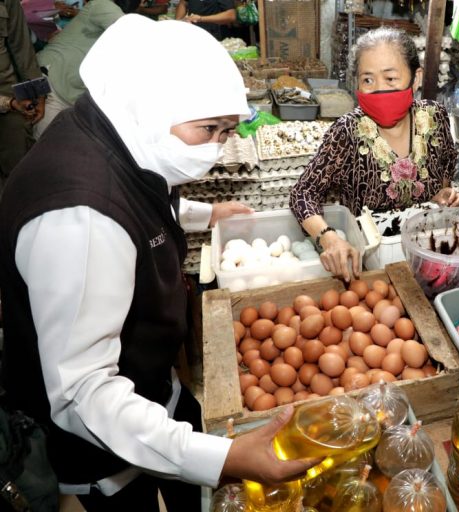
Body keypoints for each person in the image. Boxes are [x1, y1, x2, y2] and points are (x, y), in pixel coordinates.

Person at [0, 14, 317, 511]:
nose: (216, 148)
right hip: (106, 442)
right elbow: (84, 395)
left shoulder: (111, 127)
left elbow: (140, 192)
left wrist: (206, 213)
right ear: (151, 105)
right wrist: (222, 457)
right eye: (208, 129)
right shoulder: (81, 219)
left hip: (151, 380)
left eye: (226, 131)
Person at [289, 26, 459, 281]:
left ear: (415, 78)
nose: (379, 89)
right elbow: (303, 193)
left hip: (430, 258)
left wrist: (443, 196)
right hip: (370, 268)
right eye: (368, 80)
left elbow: (446, 169)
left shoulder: (434, 117)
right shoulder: (347, 131)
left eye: (390, 78)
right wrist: (328, 237)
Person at [33, 0, 139, 138]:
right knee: (42, 143)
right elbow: (133, 35)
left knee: (51, 143)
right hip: (52, 81)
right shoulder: (103, 4)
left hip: (67, 89)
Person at [0, 0, 46, 181]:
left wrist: (38, 91)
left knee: (19, 162)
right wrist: (8, 103)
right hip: (9, 101)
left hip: (8, 89)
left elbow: (22, 47)